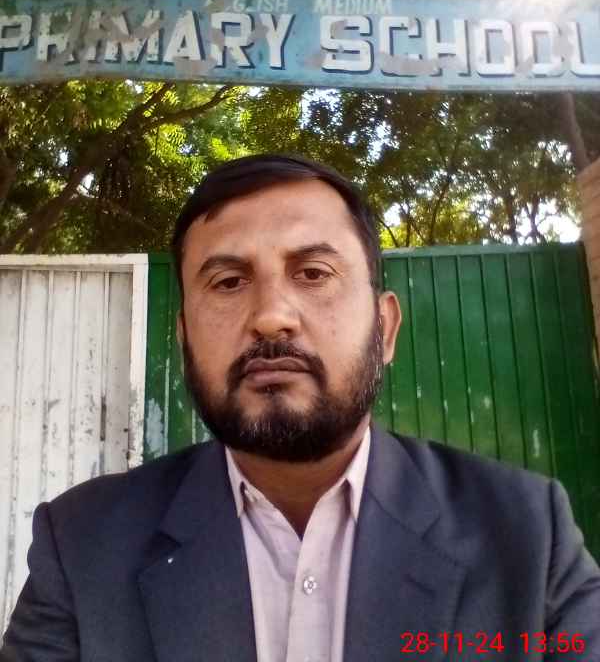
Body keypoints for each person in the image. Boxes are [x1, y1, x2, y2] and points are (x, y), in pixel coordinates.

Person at [2, 153, 599, 662]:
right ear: (184, 339)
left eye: (313, 273)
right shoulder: (81, 545)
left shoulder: (528, 538)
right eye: (228, 282)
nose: (271, 317)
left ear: (386, 329)